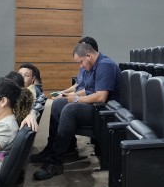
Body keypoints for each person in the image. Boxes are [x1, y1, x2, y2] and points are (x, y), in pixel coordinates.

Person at [31, 42, 121, 180]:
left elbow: (101, 97)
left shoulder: (105, 65)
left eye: (81, 62)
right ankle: (52, 148)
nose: (80, 66)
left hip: (106, 111)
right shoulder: (93, 65)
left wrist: (76, 99)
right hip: (96, 106)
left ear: (88, 55)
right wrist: (69, 96)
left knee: (70, 110)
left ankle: (54, 161)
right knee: (58, 104)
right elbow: (88, 90)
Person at [17, 63, 46, 130]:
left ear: (33, 79)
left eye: (26, 75)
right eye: (20, 75)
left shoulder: (29, 93)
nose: (22, 77)